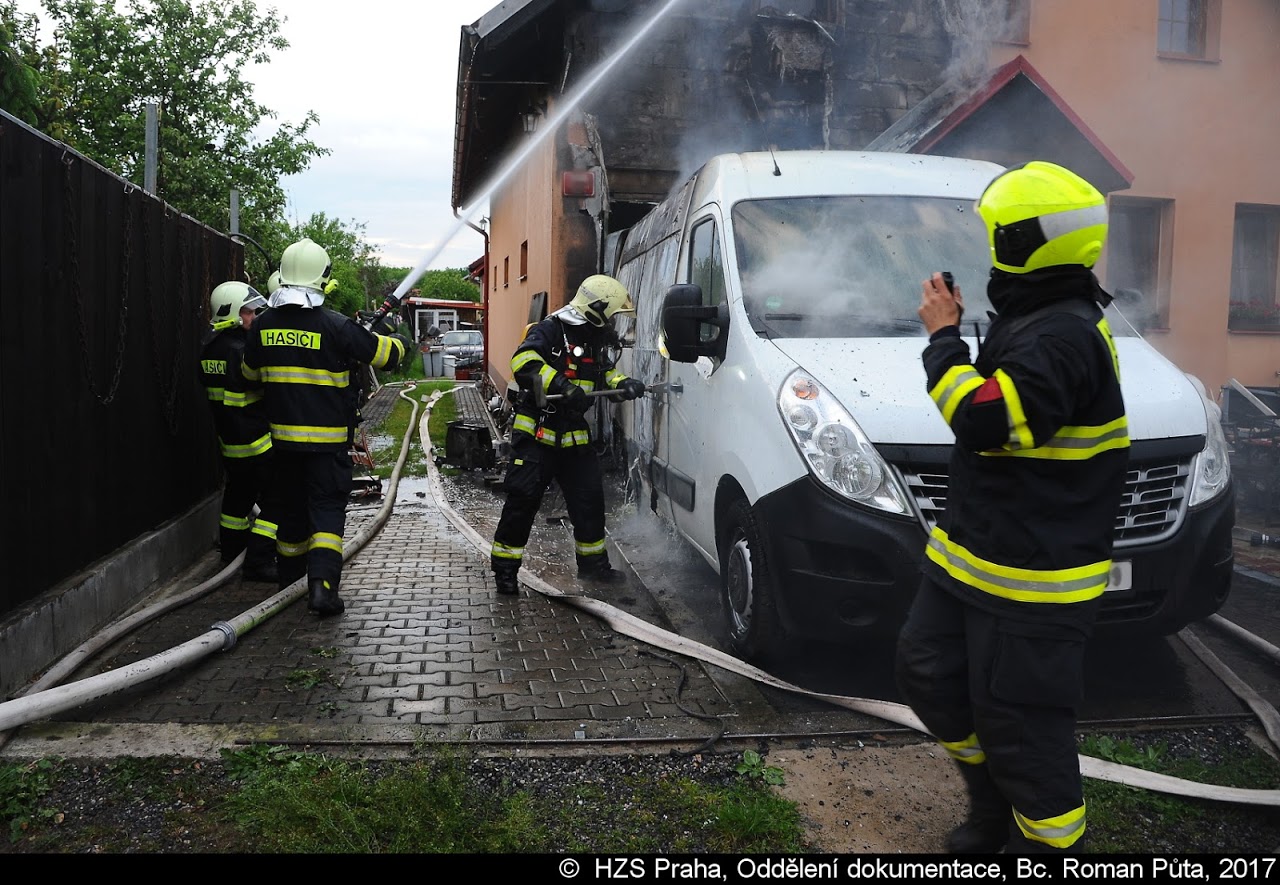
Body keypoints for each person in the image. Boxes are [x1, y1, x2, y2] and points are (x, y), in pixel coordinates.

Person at [894, 161, 1130, 854]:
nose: (991, 244)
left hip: (1033, 582)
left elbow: (986, 420)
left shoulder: (1063, 336)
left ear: (1026, 241)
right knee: (928, 673)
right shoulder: (1036, 316)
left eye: (999, 232)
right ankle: (994, 806)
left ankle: (1048, 846)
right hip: (973, 559)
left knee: (1023, 730)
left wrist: (944, 340)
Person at [241, 238, 411, 616]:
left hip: (283, 447)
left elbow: (249, 376)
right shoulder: (336, 326)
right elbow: (385, 356)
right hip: (328, 448)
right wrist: (399, 337)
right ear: (321, 276)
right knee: (326, 515)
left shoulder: (262, 326)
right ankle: (323, 589)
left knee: (291, 517)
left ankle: (289, 586)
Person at [490, 274, 646, 596]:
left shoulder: (593, 339)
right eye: (611, 314)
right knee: (522, 503)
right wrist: (561, 385)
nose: (612, 323)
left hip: (574, 438)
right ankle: (505, 572)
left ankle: (594, 569)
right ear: (596, 309)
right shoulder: (549, 330)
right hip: (537, 435)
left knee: (589, 503)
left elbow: (605, 374)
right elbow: (523, 361)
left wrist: (624, 385)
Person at [198, 280, 279, 583]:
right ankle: (259, 561)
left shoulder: (209, 349)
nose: (254, 317)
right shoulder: (241, 352)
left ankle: (232, 552)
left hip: (230, 443)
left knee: (237, 499)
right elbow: (264, 383)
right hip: (257, 442)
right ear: (231, 312)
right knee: (278, 500)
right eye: (249, 311)